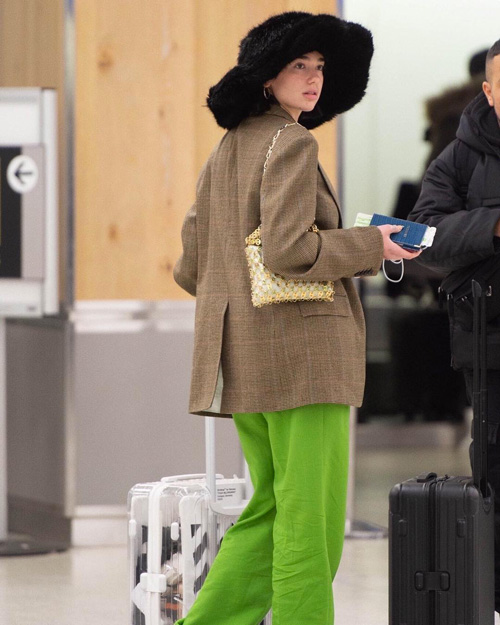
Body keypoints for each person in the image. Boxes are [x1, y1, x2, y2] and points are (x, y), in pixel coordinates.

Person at [173, 11, 420, 625]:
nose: (312, 80)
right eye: (297, 67)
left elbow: (189, 264)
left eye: (319, 68)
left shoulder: (229, 148)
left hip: (245, 362)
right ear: (266, 79)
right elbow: (291, 251)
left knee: (271, 513)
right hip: (305, 362)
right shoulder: (291, 142)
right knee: (309, 525)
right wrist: (373, 246)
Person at [409, 39, 500, 613]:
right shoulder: (461, 155)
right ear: (489, 92)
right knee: (494, 476)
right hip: (492, 346)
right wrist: (493, 226)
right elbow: (424, 234)